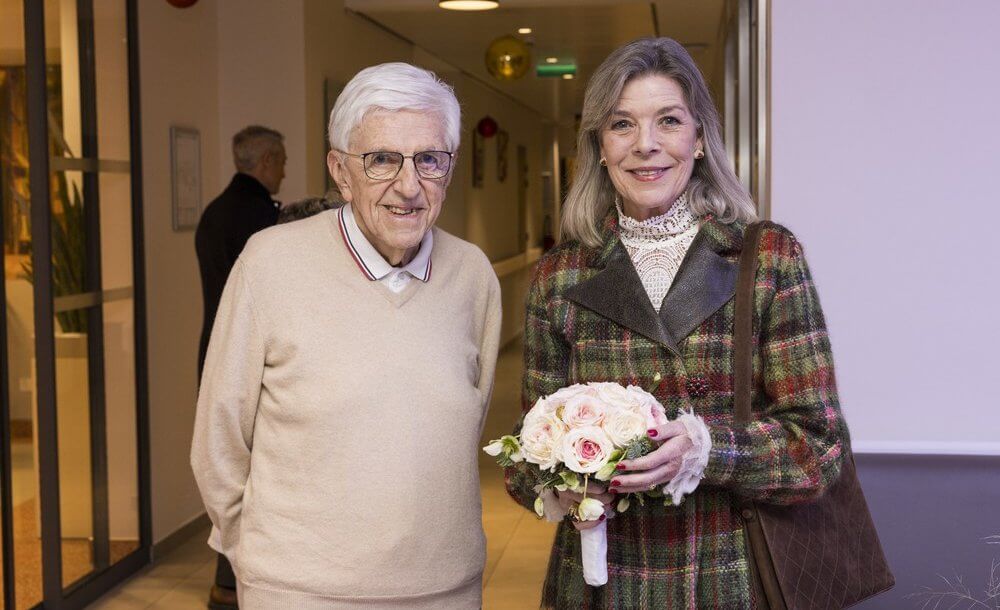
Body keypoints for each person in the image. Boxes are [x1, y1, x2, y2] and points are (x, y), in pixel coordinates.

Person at [504, 37, 849, 608]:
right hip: (601, 583)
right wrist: (561, 487)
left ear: (699, 137)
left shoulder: (765, 259)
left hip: (726, 577)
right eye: (622, 124)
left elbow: (820, 448)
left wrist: (705, 449)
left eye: (668, 121)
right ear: (599, 144)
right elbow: (524, 456)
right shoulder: (559, 277)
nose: (646, 146)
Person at [190, 62, 501, 609]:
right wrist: (263, 564)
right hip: (298, 593)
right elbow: (219, 440)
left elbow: (463, 425)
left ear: (448, 169)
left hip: (445, 590)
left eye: (429, 159)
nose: (409, 185)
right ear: (340, 170)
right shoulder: (270, 264)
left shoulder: (472, 275)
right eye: (381, 159)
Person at [194, 124, 285, 609]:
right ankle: (237, 582)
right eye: (283, 160)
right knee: (253, 474)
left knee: (229, 464)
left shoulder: (214, 213)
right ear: (266, 161)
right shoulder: (262, 220)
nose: (285, 170)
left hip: (212, 353)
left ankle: (226, 583)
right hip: (249, 365)